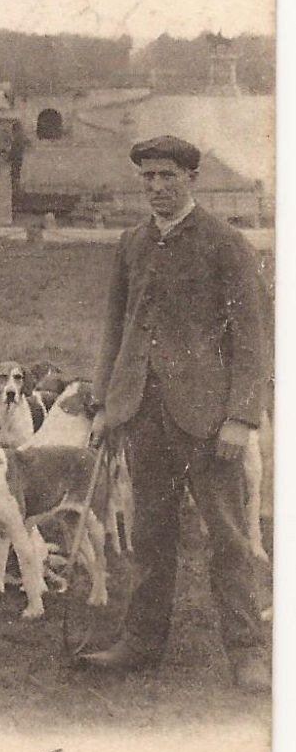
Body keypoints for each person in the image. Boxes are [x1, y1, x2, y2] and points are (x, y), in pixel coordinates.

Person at [80, 135, 269, 691]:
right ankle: (140, 644)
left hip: (210, 421)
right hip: (142, 413)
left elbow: (253, 339)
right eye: (147, 177)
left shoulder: (225, 243)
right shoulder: (132, 242)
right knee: (150, 534)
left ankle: (247, 651)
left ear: (192, 179)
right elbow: (116, 329)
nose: (156, 187)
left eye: (168, 177)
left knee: (229, 537)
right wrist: (105, 405)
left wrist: (241, 417)